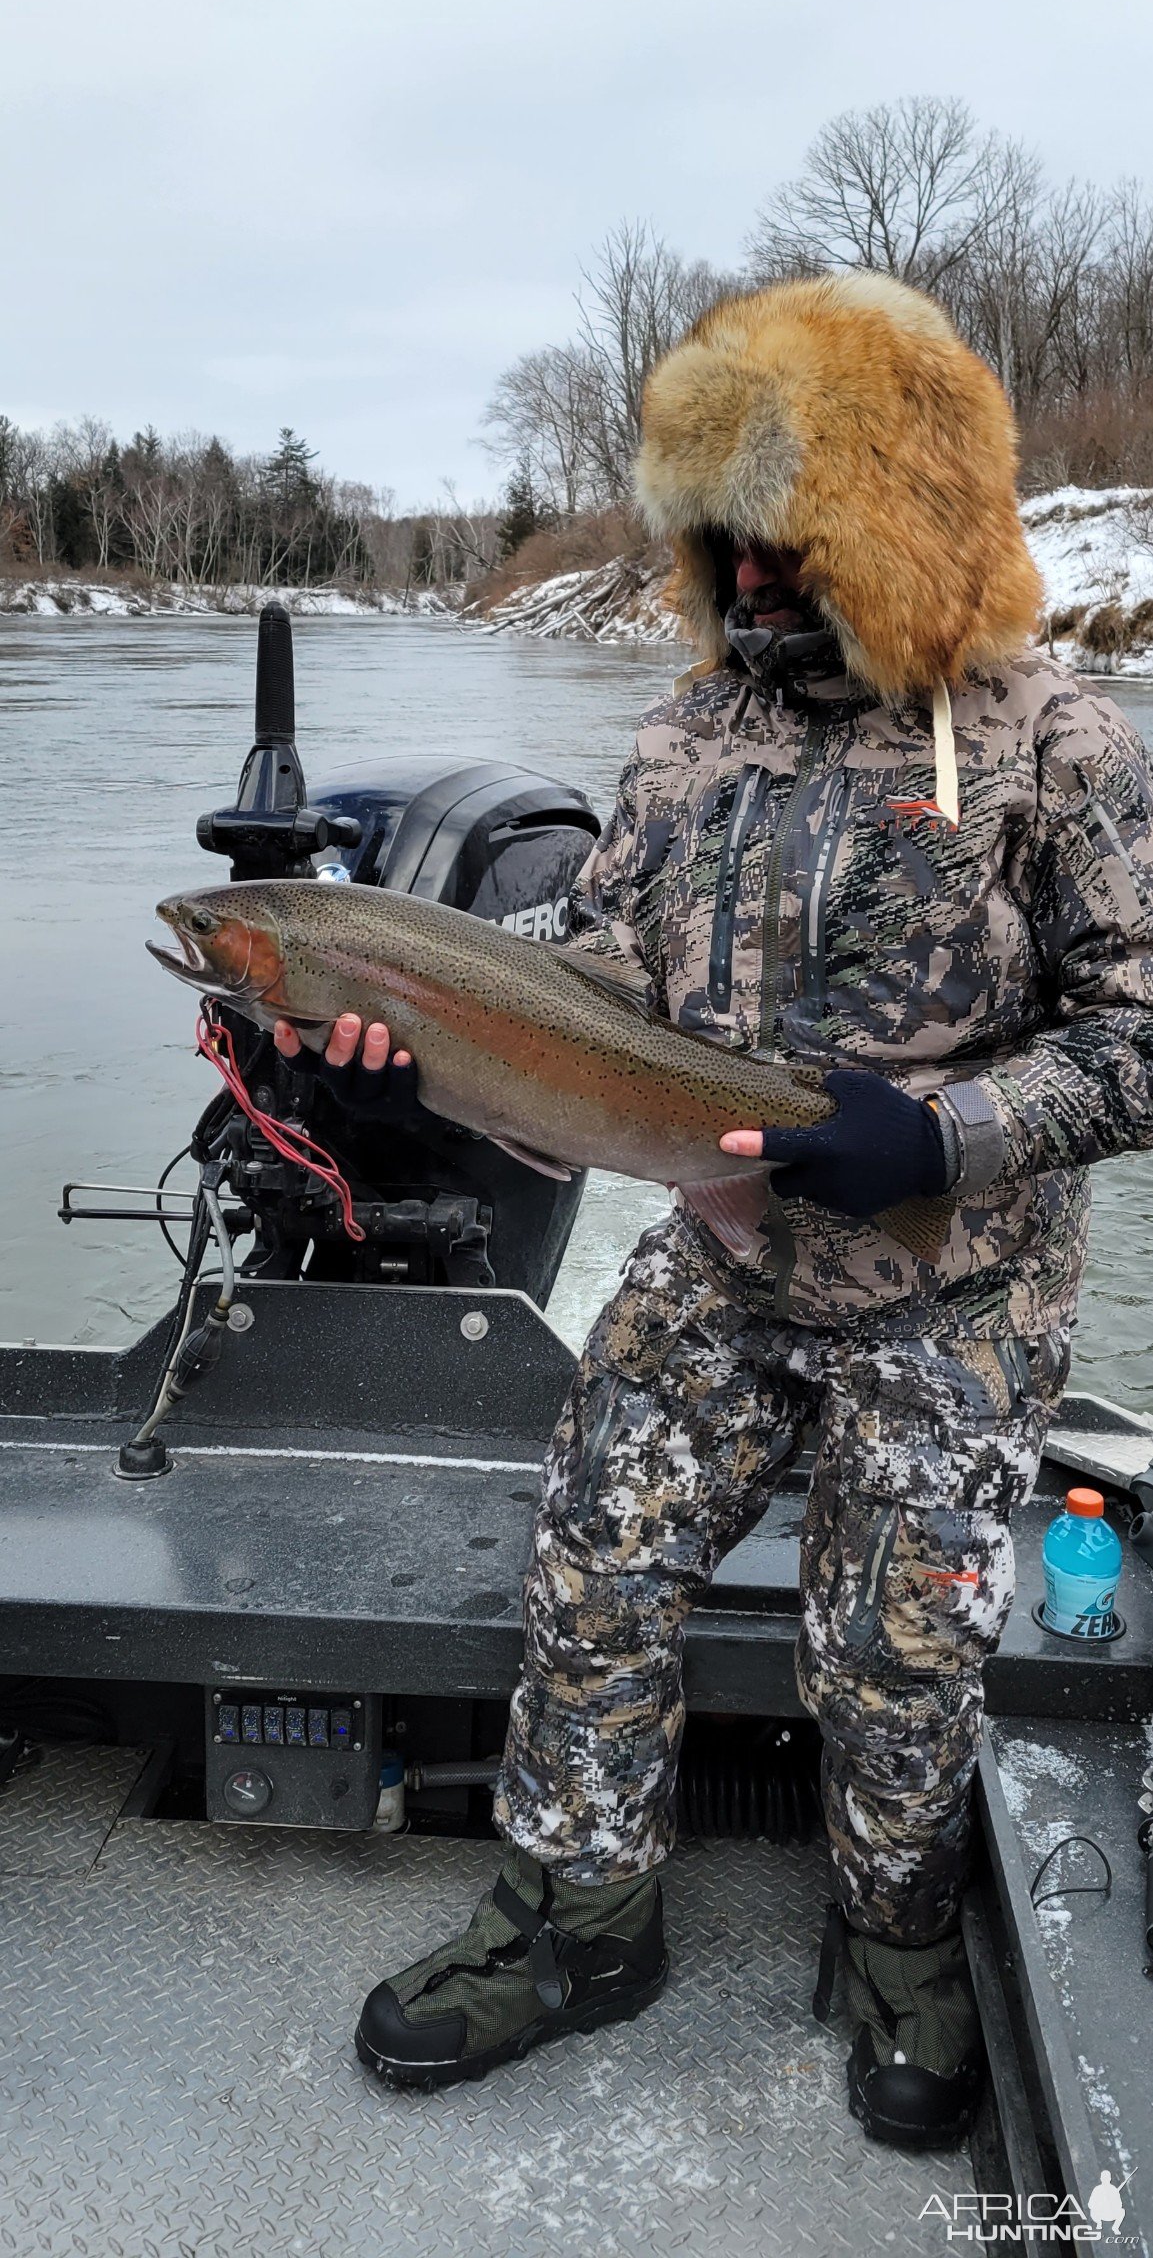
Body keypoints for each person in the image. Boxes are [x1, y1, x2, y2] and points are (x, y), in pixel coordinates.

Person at [280, 273, 1153, 2151]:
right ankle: (579, 1916)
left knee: (895, 1647)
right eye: (718, 543)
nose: (745, 579)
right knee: (591, 1556)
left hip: (954, 1292)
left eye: (784, 538)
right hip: (717, 1251)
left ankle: (897, 1930)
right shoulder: (685, 738)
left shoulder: (1059, 743)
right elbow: (593, 973)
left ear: (889, 520)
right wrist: (415, 1054)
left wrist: (944, 1138)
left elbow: (1146, 1034)